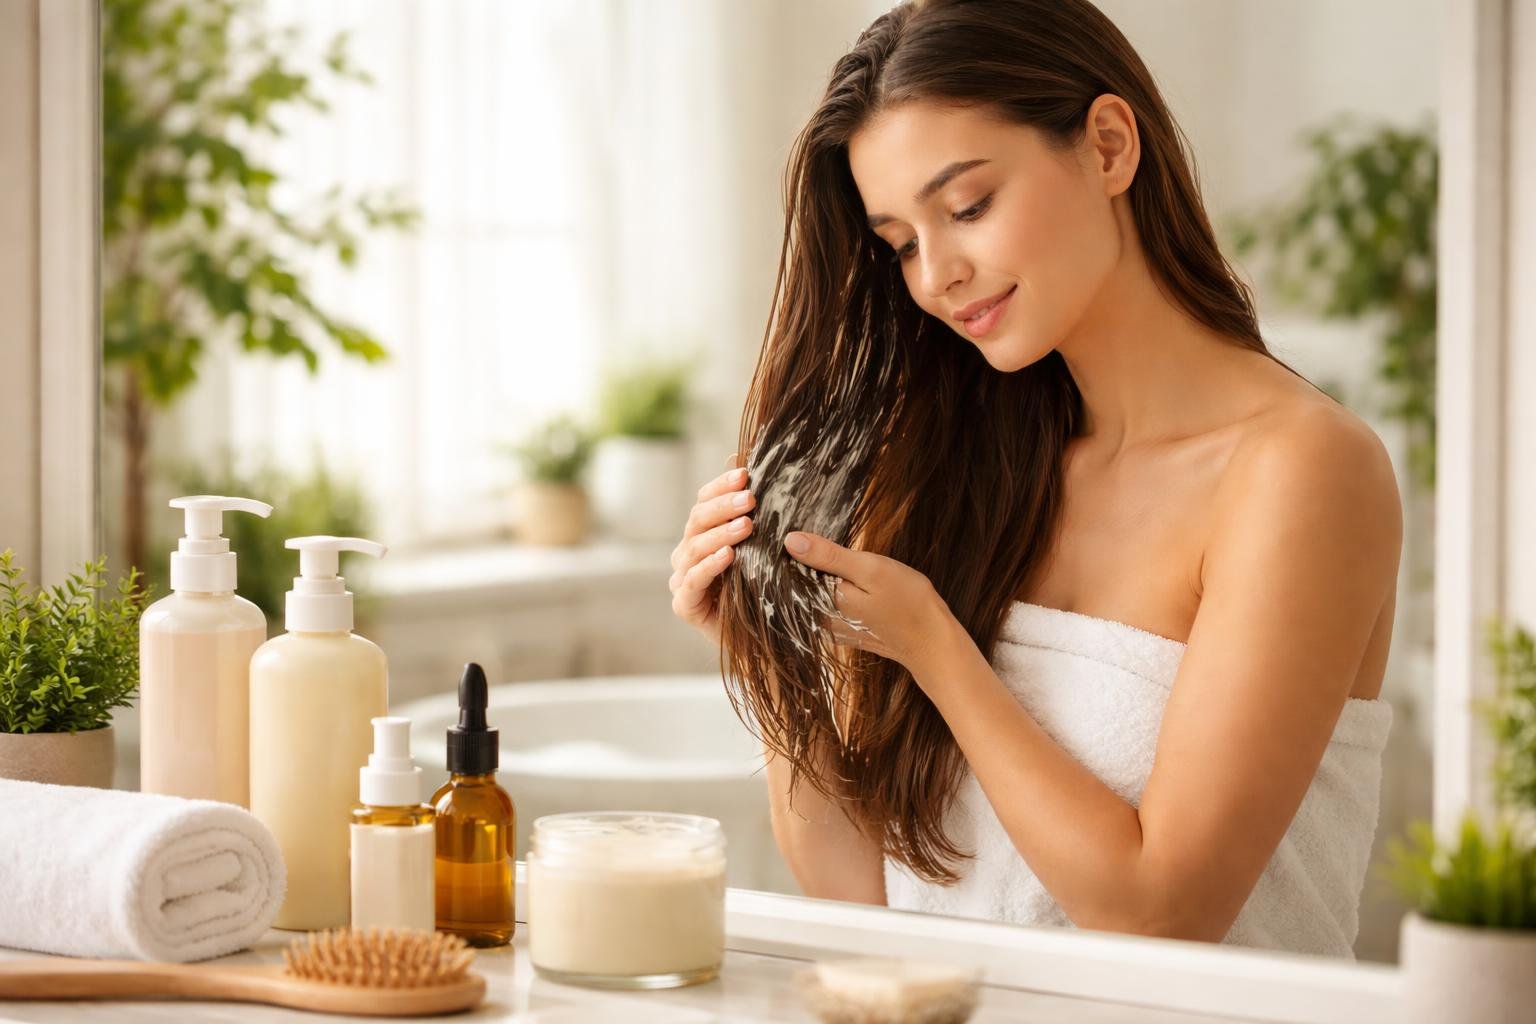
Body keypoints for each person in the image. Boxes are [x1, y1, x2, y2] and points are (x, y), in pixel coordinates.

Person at [669, 0, 1400, 959]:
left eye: (968, 207)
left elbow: (1161, 913)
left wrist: (941, 653)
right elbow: (862, 898)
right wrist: (772, 659)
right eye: (900, 244)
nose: (937, 276)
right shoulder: (948, 472)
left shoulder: (1301, 471)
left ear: (1107, 147)